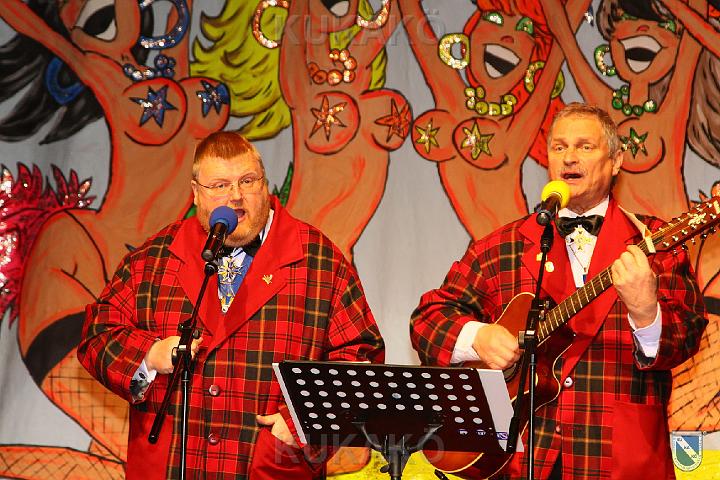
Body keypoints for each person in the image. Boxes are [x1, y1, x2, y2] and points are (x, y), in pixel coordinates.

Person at [411, 103, 708, 479]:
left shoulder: (653, 242)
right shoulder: (503, 246)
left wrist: (646, 312)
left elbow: (688, 338)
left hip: (619, 455)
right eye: (559, 147)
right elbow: (428, 319)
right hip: (525, 458)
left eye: (585, 146)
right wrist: (478, 338)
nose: (569, 157)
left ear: (616, 160)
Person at [77, 131, 385, 479]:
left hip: (269, 468)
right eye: (219, 185)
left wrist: (304, 418)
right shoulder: (155, 258)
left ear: (265, 185)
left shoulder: (317, 259)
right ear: (196, 193)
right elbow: (97, 336)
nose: (236, 196)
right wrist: (149, 355)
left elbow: (360, 358)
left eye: (247, 181)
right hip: (172, 466)